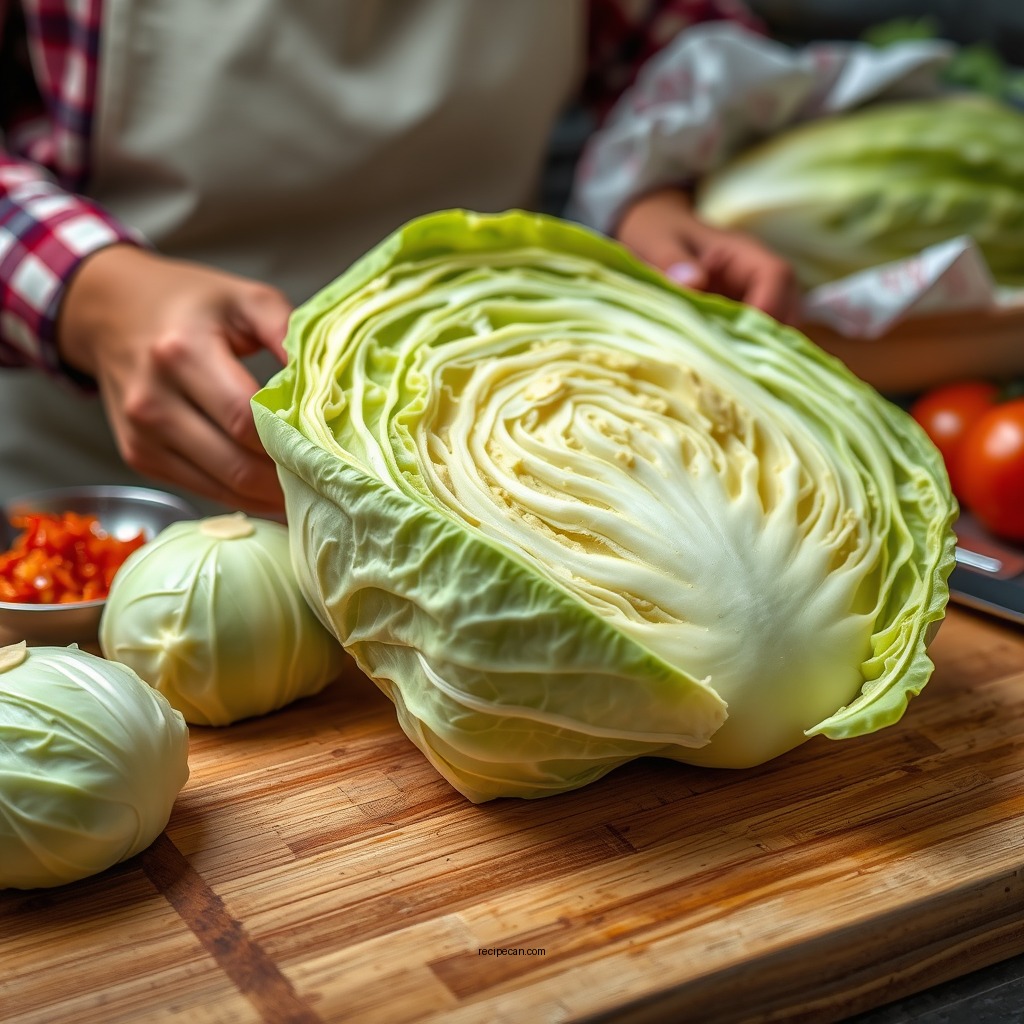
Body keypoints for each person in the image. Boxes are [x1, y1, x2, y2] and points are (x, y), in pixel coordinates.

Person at [0, 0, 797, 516]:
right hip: (105, 498)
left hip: (498, 484)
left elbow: (678, 37)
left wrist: (654, 187)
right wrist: (94, 295)